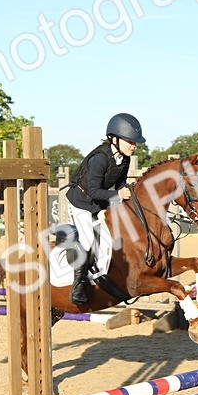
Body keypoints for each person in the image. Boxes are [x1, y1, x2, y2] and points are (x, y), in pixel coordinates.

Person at [65, 112, 143, 305]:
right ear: (114, 138)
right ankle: (78, 286)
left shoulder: (124, 159)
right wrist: (118, 196)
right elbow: (93, 191)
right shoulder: (100, 158)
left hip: (99, 202)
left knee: (111, 239)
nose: (134, 146)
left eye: (135, 143)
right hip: (81, 203)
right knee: (89, 239)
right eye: (130, 142)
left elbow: (120, 185)